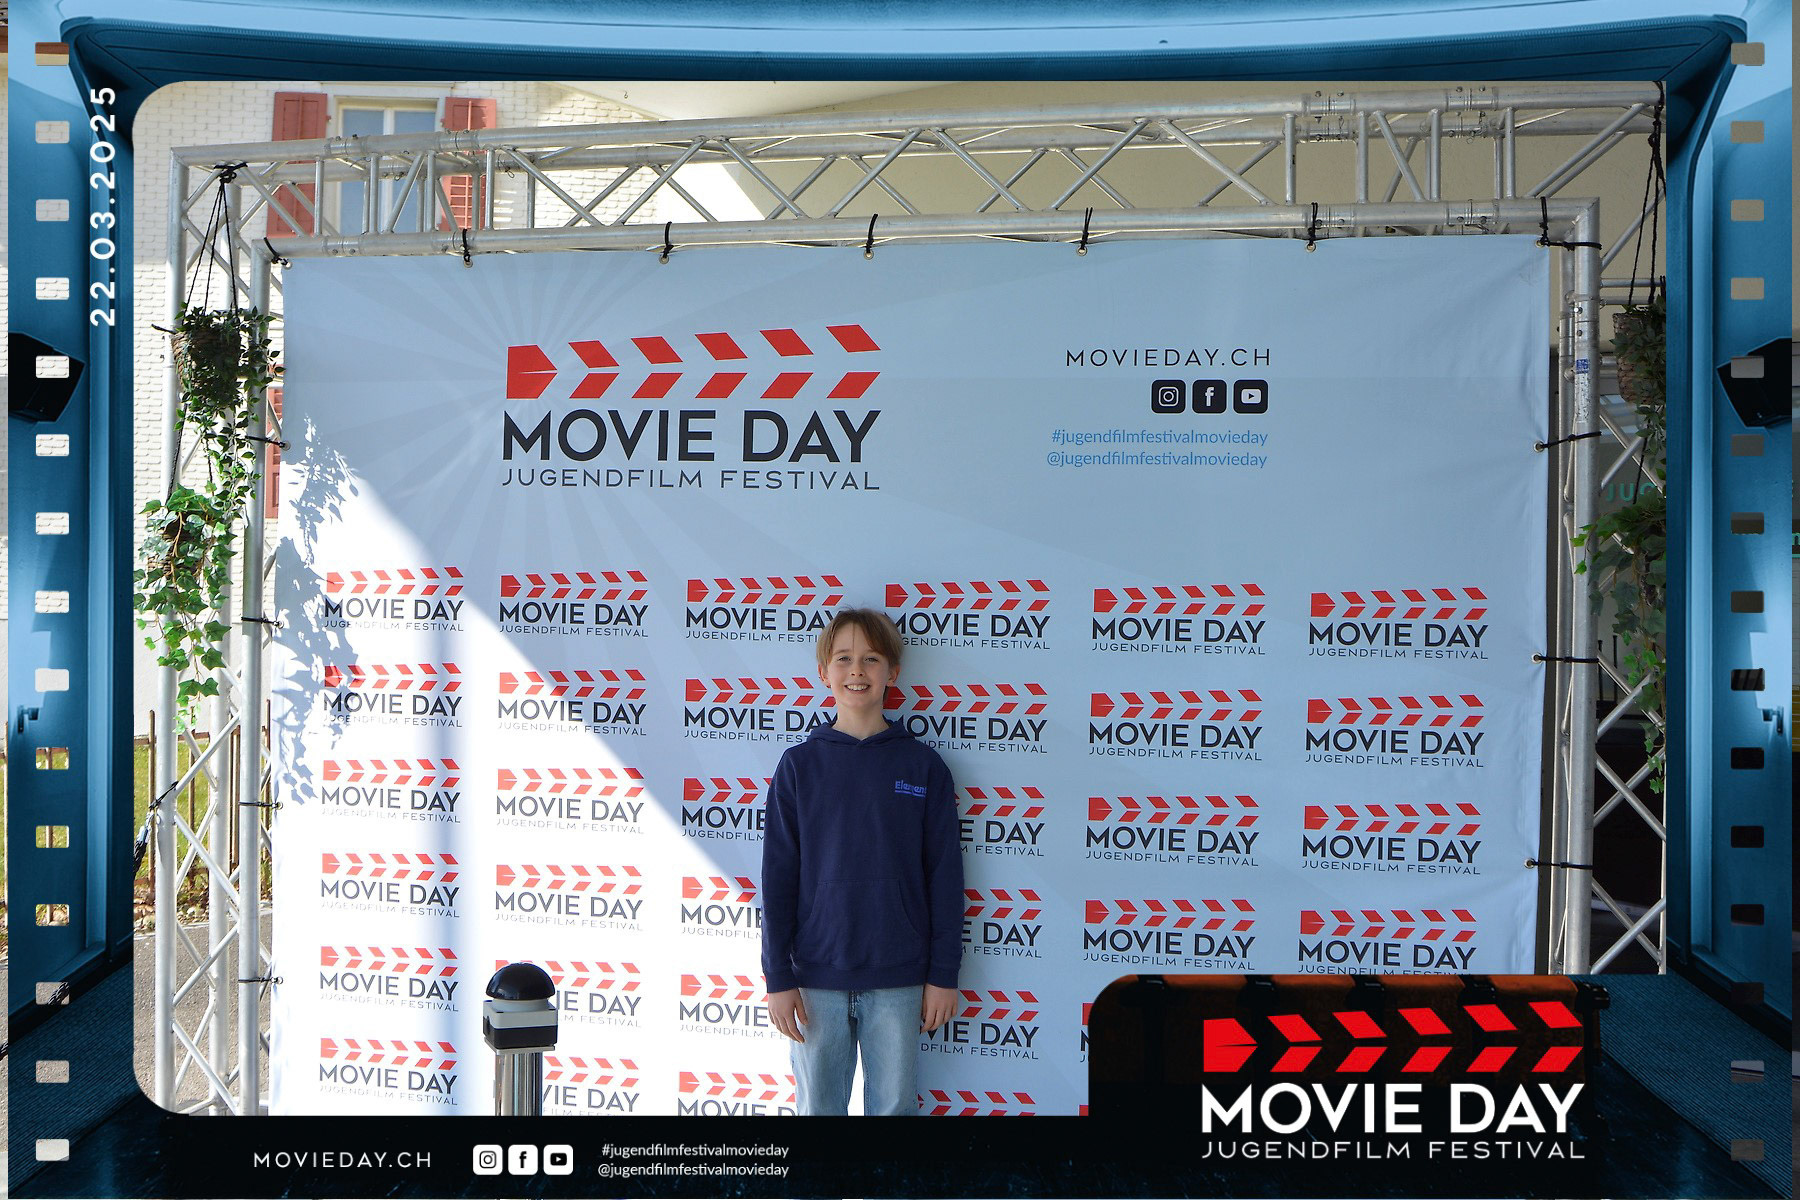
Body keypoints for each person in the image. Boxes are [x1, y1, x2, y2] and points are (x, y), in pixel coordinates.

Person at [760, 607, 964, 1116]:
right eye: (844, 659)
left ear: (893, 672)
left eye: (871, 659)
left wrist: (943, 974)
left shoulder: (923, 766)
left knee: (894, 1109)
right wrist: (778, 978)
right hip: (815, 978)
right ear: (823, 671)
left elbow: (944, 877)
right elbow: (778, 879)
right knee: (818, 1109)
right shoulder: (798, 767)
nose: (857, 670)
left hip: (899, 977)